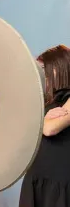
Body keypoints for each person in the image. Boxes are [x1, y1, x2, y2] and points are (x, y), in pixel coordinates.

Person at [19, 44, 70, 207]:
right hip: (36, 178)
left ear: (59, 67)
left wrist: (42, 121)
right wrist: (44, 118)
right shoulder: (42, 102)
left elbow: (50, 129)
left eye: (43, 68)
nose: (40, 75)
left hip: (57, 184)